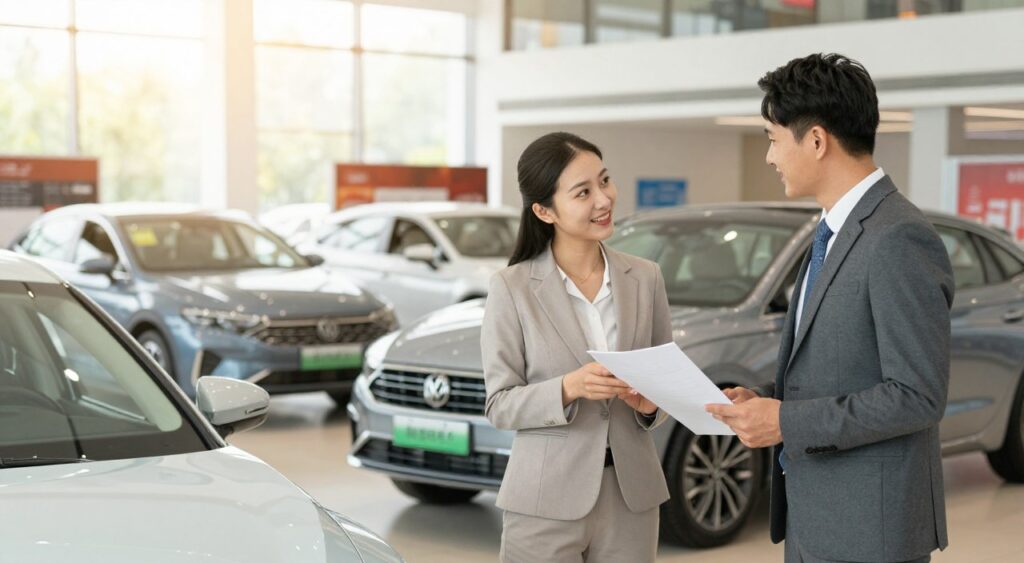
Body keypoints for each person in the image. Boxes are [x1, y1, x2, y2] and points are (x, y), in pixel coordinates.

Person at [705, 53, 955, 563]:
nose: (770, 158)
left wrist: (787, 422)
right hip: (815, 519)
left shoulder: (897, 237)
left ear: (816, 141)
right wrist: (766, 401)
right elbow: (840, 368)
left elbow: (917, 395)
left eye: (774, 139)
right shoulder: (831, 232)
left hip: (870, 531)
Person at [482, 132, 671, 562]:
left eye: (605, 182)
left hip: (632, 498)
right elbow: (499, 404)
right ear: (544, 210)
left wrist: (649, 407)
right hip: (544, 501)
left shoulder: (646, 278)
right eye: (583, 192)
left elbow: (664, 385)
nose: (603, 199)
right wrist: (568, 387)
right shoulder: (511, 289)